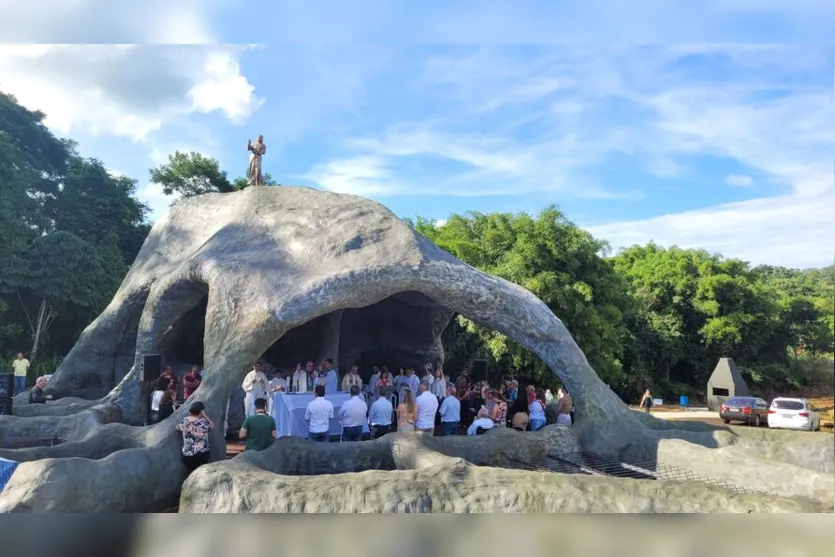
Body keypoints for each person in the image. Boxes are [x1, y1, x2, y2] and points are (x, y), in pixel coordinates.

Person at [175, 401, 214, 473]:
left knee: (191, 472)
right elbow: (212, 425)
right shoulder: (203, 422)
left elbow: (177, 428)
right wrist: (205, 416)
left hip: (188, 454)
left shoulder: (185, 421)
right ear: (201, 411)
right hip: (202, 454)